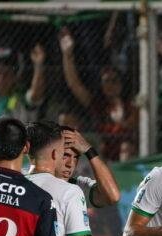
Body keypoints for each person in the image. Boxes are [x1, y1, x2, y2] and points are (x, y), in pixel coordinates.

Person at [59, 27, 138, 161]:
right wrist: (67, 54)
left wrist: (122, 122)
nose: (111, 85)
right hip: (102, 155)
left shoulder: (129, 105)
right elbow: (74, 84)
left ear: (121, 84)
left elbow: (132, 124)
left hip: (126, 155)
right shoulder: (99, 104)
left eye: (114, 81)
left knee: (126, 148)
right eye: (106, 81)